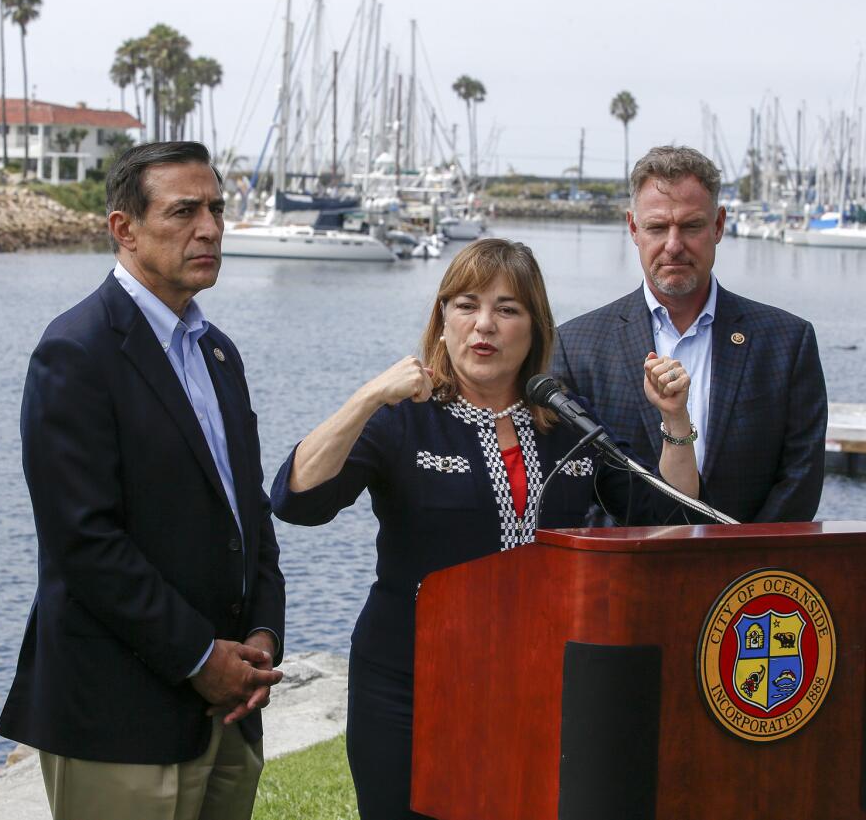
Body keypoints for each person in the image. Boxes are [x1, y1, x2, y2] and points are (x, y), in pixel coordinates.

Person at [271, 238, 702, 820]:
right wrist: (368, 397)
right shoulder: (402, 418)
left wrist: (674, 421)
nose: (484, 325)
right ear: (442, 320)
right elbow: (298, 501)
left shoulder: (567, 421)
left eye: (507, 309)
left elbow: (667, 522)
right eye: (466, 305)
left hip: (538, 682)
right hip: (410, 685)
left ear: (534, 327)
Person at [0, 141, 285, 820]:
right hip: (120, 717)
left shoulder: (217, 352)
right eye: (184, 211)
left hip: (231, 713)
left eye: (216, 208)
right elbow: (84, 540)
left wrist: (265, 635)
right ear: (124, 229)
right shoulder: (76, 350)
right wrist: (197, 657)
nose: (210, 228)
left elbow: (249, 516)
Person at [553, 145, 826, 523]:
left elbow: (800, 478)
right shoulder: (574, 346)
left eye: (691, 226)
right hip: (620, 576)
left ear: (718, 225)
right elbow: (570, 489)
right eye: (657, 227)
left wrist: (744, 568)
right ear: (633, 227)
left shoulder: (787, 342)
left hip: (748, 575)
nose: (673, 245)